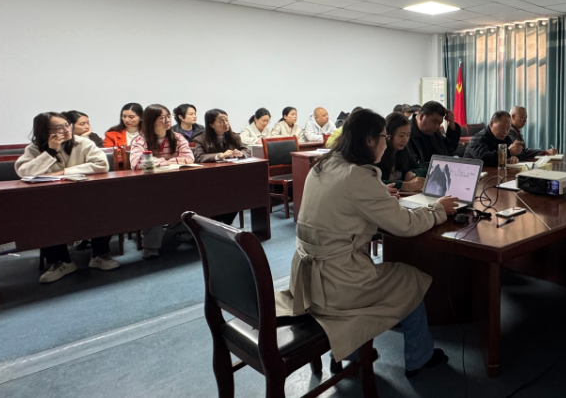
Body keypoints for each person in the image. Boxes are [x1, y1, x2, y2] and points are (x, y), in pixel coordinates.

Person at [275, 109, 456, 378]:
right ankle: (420, 357)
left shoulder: (325, 164)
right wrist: (438, 209)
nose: (386, 142)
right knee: (410, 278)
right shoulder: (359, 176)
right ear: (370, 140)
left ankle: (351, 352)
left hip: (306, 280)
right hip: (338, 282)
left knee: (389, 273)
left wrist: (379, 195)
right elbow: (405, 225)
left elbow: (342, 204)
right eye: (384, 137)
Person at [15, 112, 119, 283]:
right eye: (58, 128)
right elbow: (24, 172)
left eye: (66, 125)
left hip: (84, 197)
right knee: (42, 216)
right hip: (51, 201)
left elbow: (101, 165)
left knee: (102, 207)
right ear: (45, 132)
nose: (65, 130)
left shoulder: (83, 142)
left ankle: (100, 255)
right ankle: (61, 262)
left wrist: (63, 172)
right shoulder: (34, 149)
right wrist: (50, 152)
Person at [130, 104, 195, 259]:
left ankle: (181, 230)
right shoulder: (140, 140)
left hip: (176, 184)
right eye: (162, 118)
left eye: (168, 116)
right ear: (151, 121)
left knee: (193, 194)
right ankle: (151, 246)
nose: (167, 120)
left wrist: (160, 162)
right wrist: (167, 161)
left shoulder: (177, 137)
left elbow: (189, 158)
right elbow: (136, 163)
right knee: (154, 204)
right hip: (150, 187)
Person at [192, 109, 251, 226]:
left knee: (239, 194)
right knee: (218, 198)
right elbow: (199, 157)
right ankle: (218, 223)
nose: (225, 123)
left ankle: (224, 223)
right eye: (221, 121)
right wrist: (220, 155)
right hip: (210, 178)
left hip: (232, 176)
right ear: (211, 124)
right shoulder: (200, 139)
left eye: (226, 120)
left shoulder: (234, 136)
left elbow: (246, 150)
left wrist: (240, 154)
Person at [375, 113, 427, 192]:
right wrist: (403, 185)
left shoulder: (403, 151)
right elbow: (373, 182)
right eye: (401, 136)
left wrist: (412, 173)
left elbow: (422, 168)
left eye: (408, 135)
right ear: (388, 134)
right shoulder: (378, 152)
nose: (405, 140)